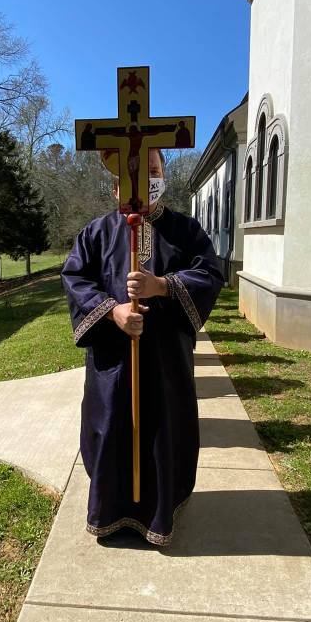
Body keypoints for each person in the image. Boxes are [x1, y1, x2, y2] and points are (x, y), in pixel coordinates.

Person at [60, 148, 224, 547]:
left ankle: (160, 512)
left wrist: (162, 285)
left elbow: (209, 274)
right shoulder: (96, 233)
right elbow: (75, 278)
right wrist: (112, 311)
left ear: (163, 174)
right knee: (111, 427)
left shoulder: (186, 230)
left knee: (164, 429)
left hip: (166, 359)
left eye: (152, 170)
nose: (145, 180)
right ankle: (110, 512)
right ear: (116, 185)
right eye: (133, 173)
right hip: (113, 362)